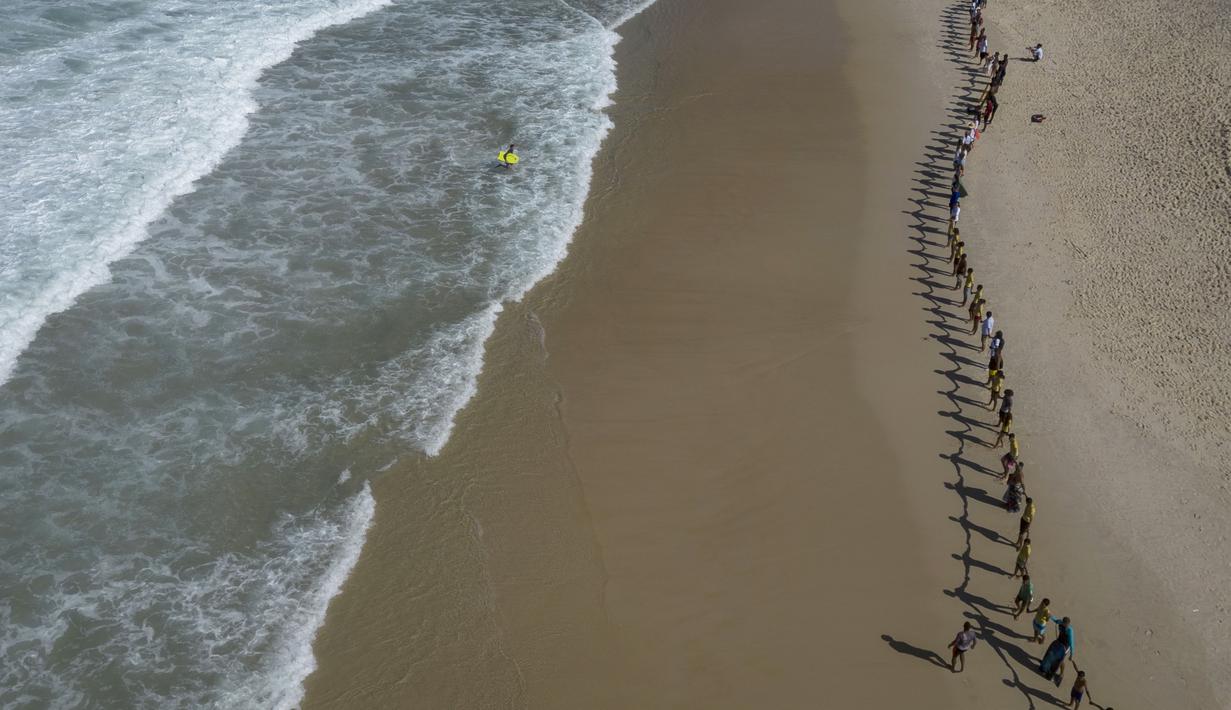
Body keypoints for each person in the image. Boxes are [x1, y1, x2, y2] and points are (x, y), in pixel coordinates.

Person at [1040, 616, 1075, 682]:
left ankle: (1061, 674)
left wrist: (1071, 655)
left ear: (1069, 624)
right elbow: (1055, 620)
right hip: (1058, 642)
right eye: (1065, 624)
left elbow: (1071, 643)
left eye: (1067, 624)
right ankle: (1044, 667)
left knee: (1060, 660)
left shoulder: (1070, 630)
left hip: (1065, 646)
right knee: (1050, 653)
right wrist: (1050, 616)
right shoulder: (1060, 622)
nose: (1066, 625)